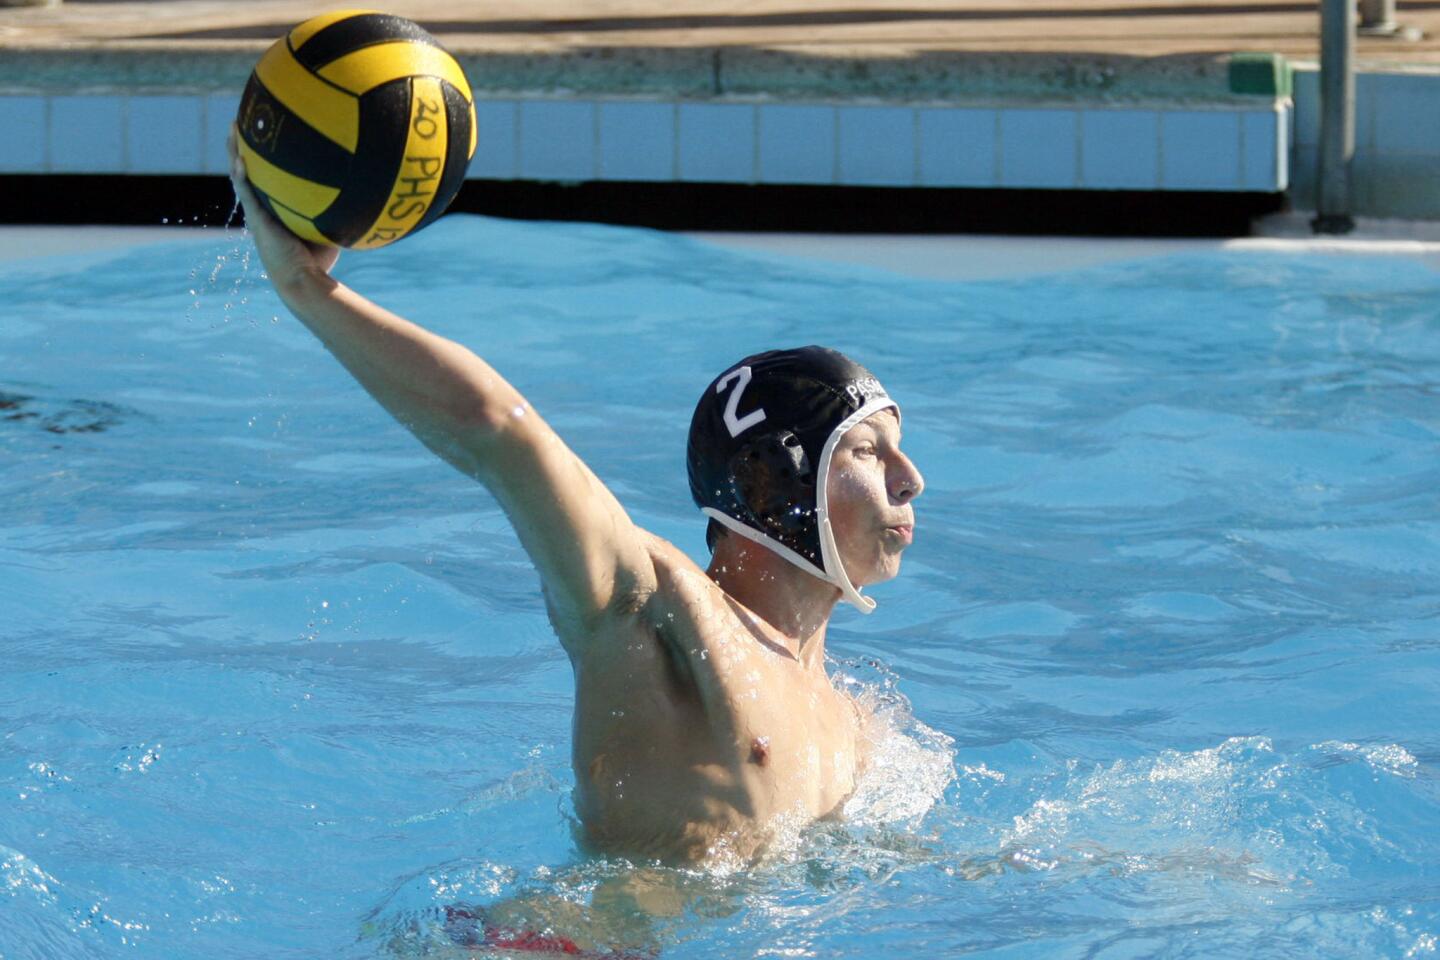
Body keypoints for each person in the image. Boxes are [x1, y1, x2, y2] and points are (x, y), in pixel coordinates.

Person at [228, 134, 924, 869]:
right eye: (868, 450)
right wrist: (307, 290)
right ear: (767, 481)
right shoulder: (656, 607)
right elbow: (499, 432)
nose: (910, 479)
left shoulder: (856, 722)